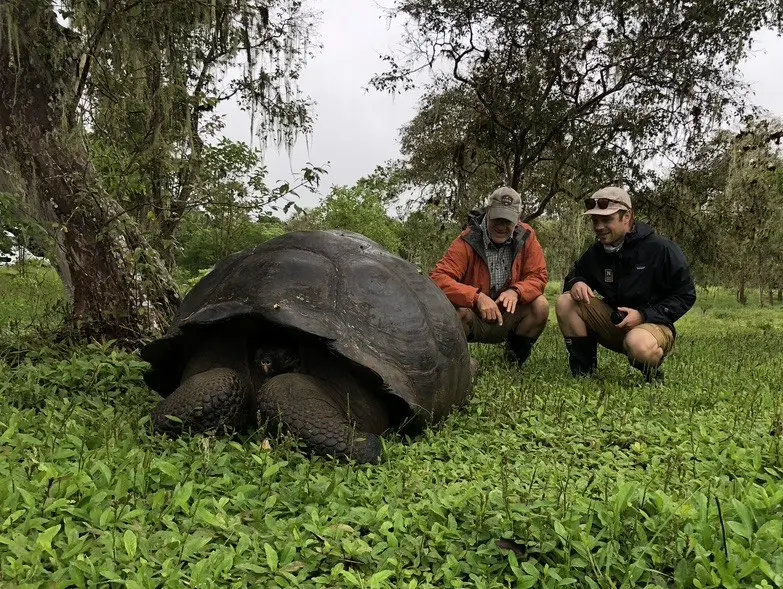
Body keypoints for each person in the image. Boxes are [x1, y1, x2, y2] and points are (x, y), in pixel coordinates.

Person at [555, 186, 696, 383]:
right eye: (595, 221)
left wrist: (643, 315)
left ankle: (652, 375)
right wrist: (577, 282)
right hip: (615, 323)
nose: (598, 227)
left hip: (653, 325)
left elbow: (686, 295)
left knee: (638, 344)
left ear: (627, 216)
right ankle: (584, 373)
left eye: (606, 220)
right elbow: (575, 274)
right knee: (566, 301)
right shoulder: (597, 252)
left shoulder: (662, 249)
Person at [430, 187, 549, 367]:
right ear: (488, 212)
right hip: (474, 317)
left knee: (540, 305)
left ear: (517, 219)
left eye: (507, 220)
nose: (501, 226)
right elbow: (438, 278)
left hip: (507, 315)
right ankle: (457, 365)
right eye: (497, 218)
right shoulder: (467, 240)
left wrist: (516, 292)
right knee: (455, 313)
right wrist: (476, 297)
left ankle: (514, 361)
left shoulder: (527, 236)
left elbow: (538, 275)